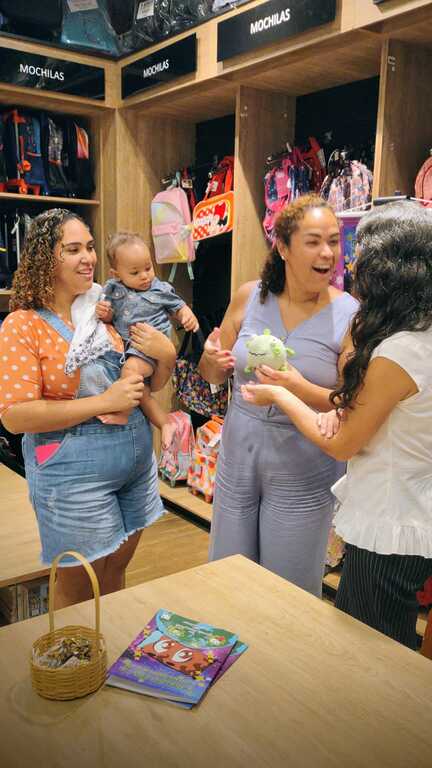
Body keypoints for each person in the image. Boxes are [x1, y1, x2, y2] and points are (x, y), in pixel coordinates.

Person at [242, 200, 432, 649]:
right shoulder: (418, 336)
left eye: (355, 250)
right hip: (411, 511)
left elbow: (343, 443)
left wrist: (281, 395)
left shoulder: (399, 351)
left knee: (369, 649)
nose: (347, 261)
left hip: (390, 523)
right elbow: (365, 414)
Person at [0, 209, 176, 608]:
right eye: (74, 249)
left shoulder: (106, 310)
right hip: (72, 478)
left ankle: (107, 655)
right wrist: (104, 402)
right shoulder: (23, 325)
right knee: (80, 587)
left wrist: (165, 356)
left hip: (134, 468)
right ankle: (74, 670)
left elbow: (144, 385)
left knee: (115, 572)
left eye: (92, 247)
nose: (89, 258)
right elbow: (14, 414)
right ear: (48, 258)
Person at [199, 194, 358, 596]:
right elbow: (212, 369)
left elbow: (351, 404)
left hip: (303, 465)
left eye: (334, 241)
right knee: (227, 578)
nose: (328, 253)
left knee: (287, 591)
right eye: (313, 241)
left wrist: (296, 387)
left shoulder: (351, 314)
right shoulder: (249, 296)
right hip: (239, 456)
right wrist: (211, 364)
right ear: (283, 248)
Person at [96, 231, 198, 446]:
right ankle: (164, 423)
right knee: (142, 391)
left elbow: (178, 306)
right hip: (128, 347)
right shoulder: (113, 289)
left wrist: (187, 315)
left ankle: (123, 412)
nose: (145, 276)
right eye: (135, 272)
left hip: (148, 348)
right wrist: (106, 314)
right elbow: (111, 316)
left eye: (148, 267)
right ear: (116, 274)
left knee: (130, 373)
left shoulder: (159, 288)